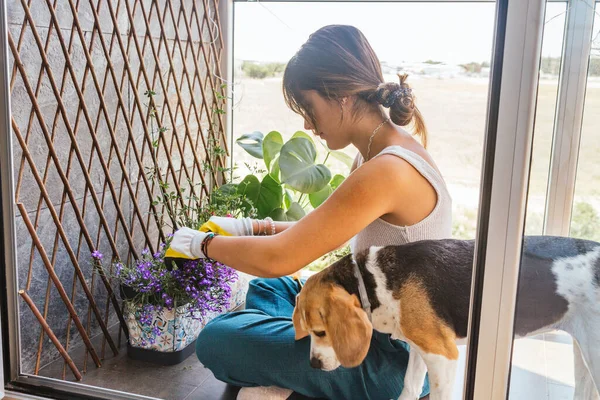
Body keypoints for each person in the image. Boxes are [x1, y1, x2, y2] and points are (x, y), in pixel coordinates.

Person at [170, 24, 452, 400]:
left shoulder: (387, 171)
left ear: (343, 98)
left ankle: (282, 375)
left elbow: (281, 257)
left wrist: (200, 244)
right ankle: (287, 374)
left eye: (310, 107)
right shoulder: (379, 153)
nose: (307, 123)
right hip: (365, 320)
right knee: (271, 289)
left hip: (385, 358)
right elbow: (319, 228)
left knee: (215, 338)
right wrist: (250, 226)